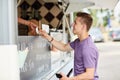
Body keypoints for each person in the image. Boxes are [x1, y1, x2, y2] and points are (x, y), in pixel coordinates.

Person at [39, 12, 99, 80]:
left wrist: (68, 79)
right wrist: (48, 37)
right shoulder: (78, 42)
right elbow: (64, 47)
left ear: (83, 27)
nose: (72, 24)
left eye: (75, 23)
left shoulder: (88, 48)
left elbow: (89, 75)